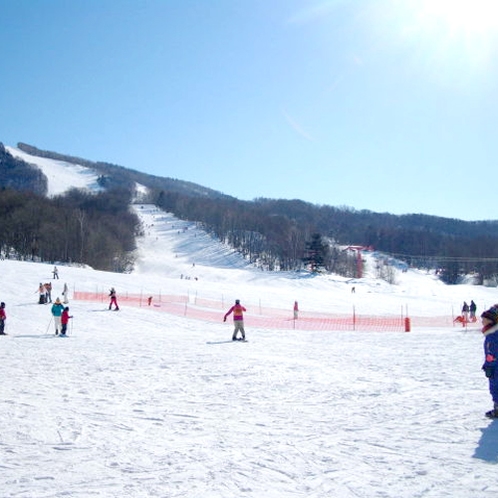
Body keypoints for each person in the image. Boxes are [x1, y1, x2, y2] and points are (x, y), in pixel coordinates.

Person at [480, 305, 498, 418]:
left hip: (496, 368)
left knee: (495, 387)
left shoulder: (494, 335)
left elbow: (493, 353)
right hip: (493, 366)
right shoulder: (491, 334)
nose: (482, 322)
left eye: (484, 319)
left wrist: (490, 365)